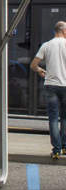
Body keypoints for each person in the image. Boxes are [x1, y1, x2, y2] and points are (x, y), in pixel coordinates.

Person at [30, 21, 66, 159]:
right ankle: (64, 147)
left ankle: (56, 150)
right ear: (64, 31)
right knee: (65, 117)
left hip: (51, 85)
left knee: (53, 118)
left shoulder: (46, 45)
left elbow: (33, 65)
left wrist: (40, 70)